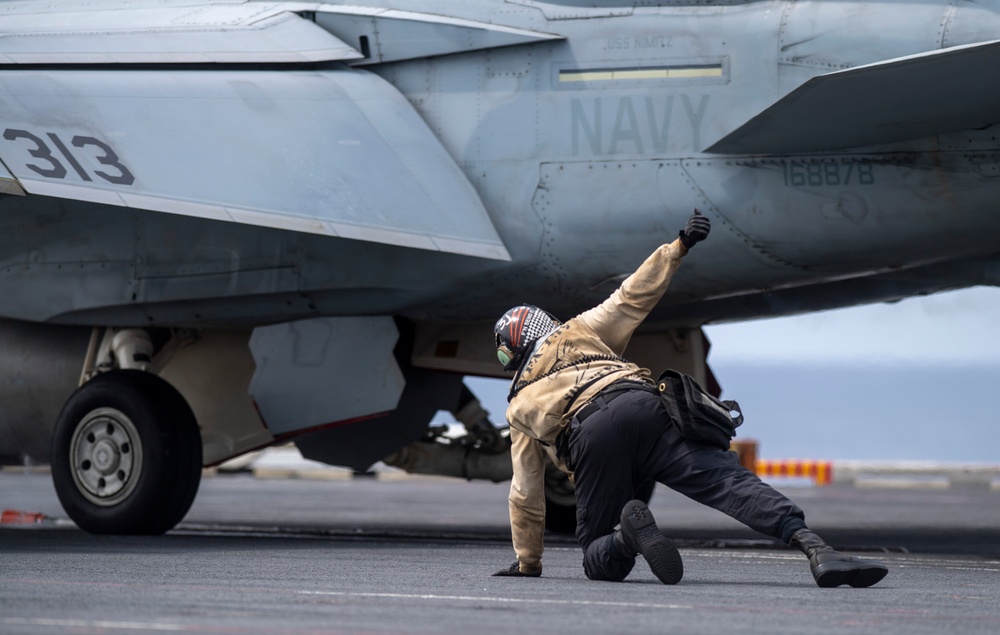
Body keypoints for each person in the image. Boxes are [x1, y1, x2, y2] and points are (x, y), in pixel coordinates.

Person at [490, 210, 888, 588]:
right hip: (645, 405)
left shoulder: (519, 405)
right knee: (727, 481)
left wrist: (529, 562)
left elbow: (525, 492)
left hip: (591, 436)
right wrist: (678, 247)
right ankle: (816, 548)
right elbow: (631, 296)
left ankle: (625, 539)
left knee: (598, 556)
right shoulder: (581, 328)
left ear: (511, 352)